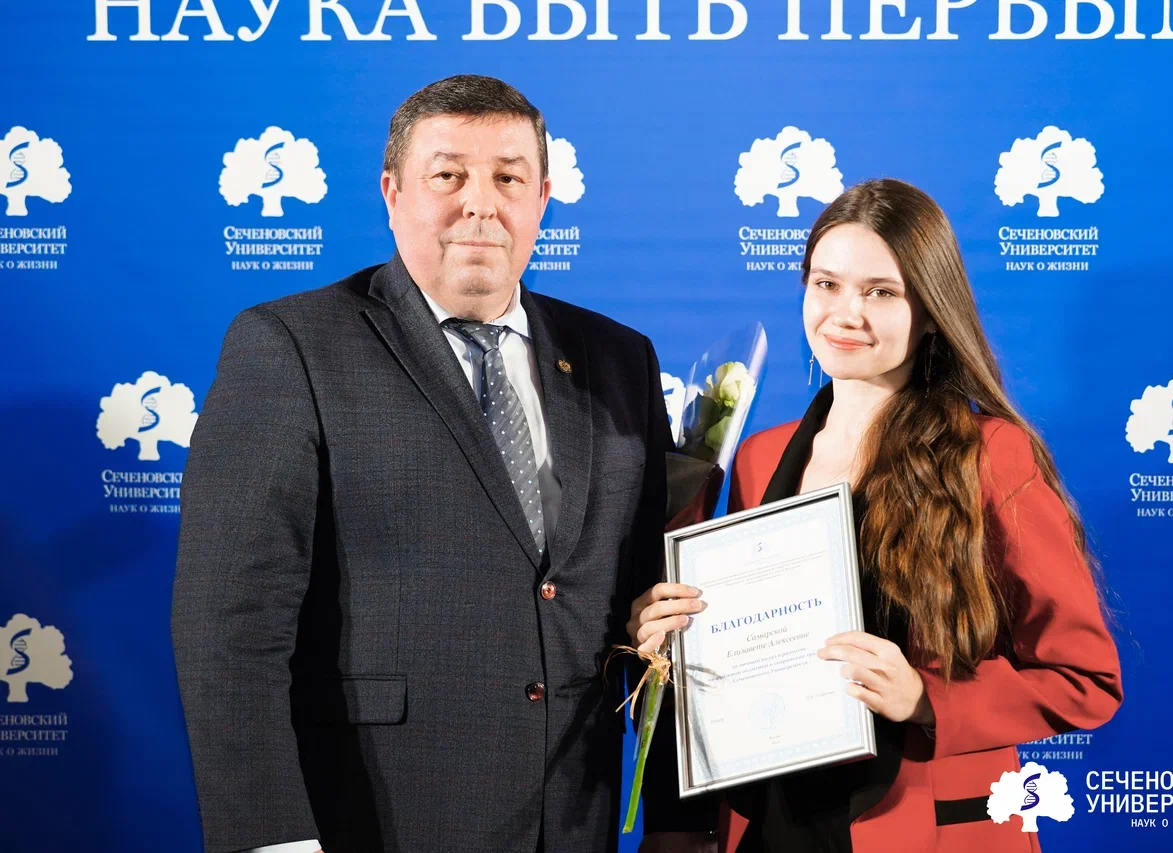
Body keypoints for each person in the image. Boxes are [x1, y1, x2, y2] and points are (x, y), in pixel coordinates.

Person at [172, 74, 713, 853]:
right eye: (449, 175)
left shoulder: (619, 358)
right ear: (393, 193)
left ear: (543, 198)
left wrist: (678, 820)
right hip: (376, 822)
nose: (480, 204)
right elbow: (230, 625)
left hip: (572, 823)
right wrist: (271, 839)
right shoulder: (291, 346)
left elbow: (654, 613)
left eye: (509, 178)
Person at [627, 179, 1123, 852]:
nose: (846, 313)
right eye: (827, 284)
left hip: (927, 831)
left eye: (881, 292)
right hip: (774, 827)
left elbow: (1084, 680)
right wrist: (669, 642)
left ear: (930, 310)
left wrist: (925, 698)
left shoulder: (992, 455)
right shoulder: (758, 456)